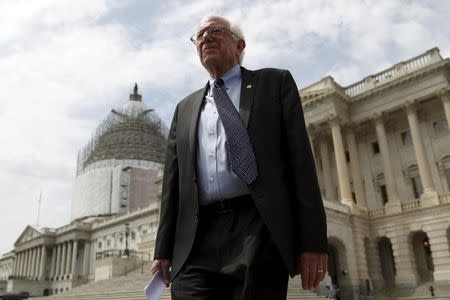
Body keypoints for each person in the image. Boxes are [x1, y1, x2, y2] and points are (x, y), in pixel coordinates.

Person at [151, 15, 328, 300]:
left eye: (215, 31)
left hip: (257, 228)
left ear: (240, 44)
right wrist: (163, 250)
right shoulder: (184, 108)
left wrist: (313, 241)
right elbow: (173, 185)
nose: (206, 38)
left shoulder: (274, 83)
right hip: (197, 236)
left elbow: (301, 164)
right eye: (199, 36)